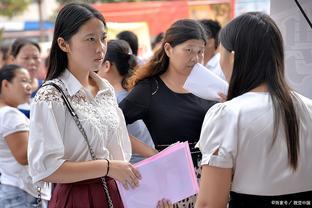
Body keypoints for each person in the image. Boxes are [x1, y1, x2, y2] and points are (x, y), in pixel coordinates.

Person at [27, 3, 171, 208]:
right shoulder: (51, 96)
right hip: (77, 197)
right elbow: (46, 168)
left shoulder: (105, 90)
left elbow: (121, 154)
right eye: (90, 39)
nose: (100, 48)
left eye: (103, 38)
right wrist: (107, 167)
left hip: (116, 192)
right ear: (63, 44)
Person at [195, 12, 312, 208]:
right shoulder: (309, 108)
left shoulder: (227, 115)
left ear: (233, 57)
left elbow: (210, 203)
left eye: (220, 53)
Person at [119, 19, 216, 207]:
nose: (195, 58)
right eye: (188, 50)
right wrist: (152, 154)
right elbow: (114, 125)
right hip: (173, 179)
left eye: (200, 51)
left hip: (212, 175)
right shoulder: (150, 89)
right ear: (169, 49)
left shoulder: (209, 85)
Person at [0, 64, 50, 207]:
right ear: (5, 84)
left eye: (29, 81)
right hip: (22, 193)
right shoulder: (10, 114)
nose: (29, 86)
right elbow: (24, 156)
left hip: (17, 190)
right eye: (23, 81)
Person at [97, 39, 155, 164]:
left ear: (107, 66)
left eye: (98, 62)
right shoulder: (133, 95)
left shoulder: (116, 100)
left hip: (135, 169)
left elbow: (119, 136)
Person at [9, 38, 43, 118]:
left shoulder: (47, 87)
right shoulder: (6, 91)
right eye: (26, 58)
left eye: (35, 57)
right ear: (13, 60)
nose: (32, 62)